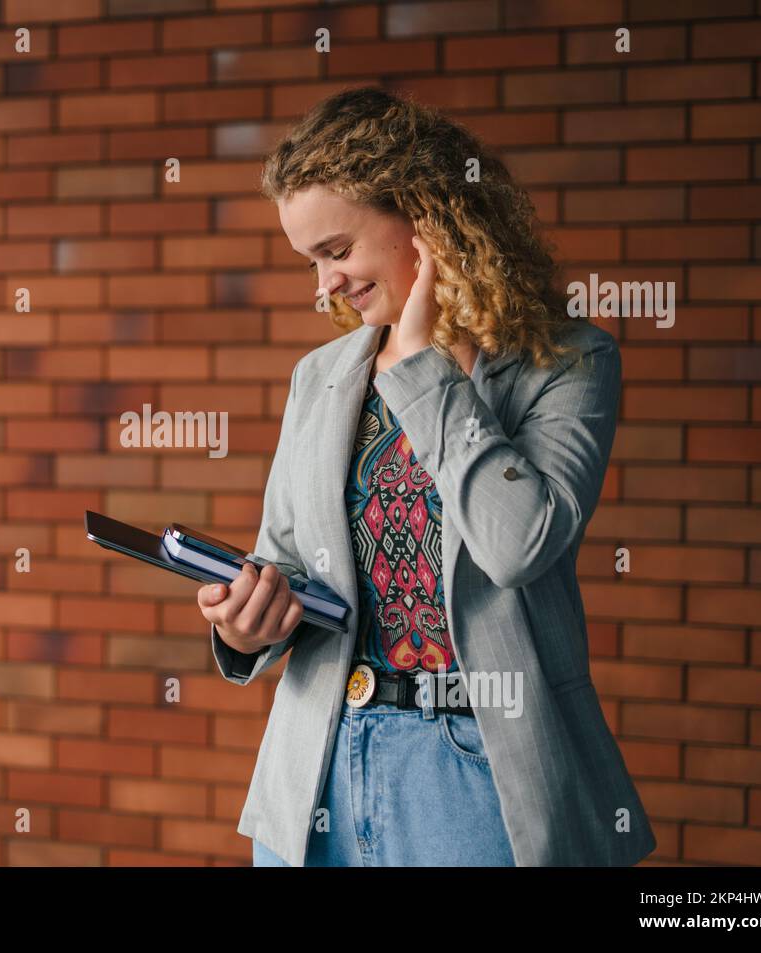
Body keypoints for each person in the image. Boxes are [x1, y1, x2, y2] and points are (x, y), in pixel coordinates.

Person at [197, 86, 656, 867]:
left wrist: (423, 371)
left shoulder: (569, 363)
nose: (324, 288)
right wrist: (245, 628)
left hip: (482, 781)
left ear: (428, 216)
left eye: (337, 252)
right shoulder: (322, 375)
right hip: (318, 777)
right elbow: (286, 561)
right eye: (311, 263)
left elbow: (519, 546)